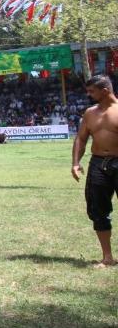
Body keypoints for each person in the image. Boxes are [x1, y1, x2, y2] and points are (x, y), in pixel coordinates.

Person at [72, 74, 118, 268]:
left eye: (92, 91)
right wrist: (75, 162)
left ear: (105, 91)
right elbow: (81, 138)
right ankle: (107, 257)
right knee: (98, 211)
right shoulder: (90, 113)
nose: (89, 95)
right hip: (98, 164)